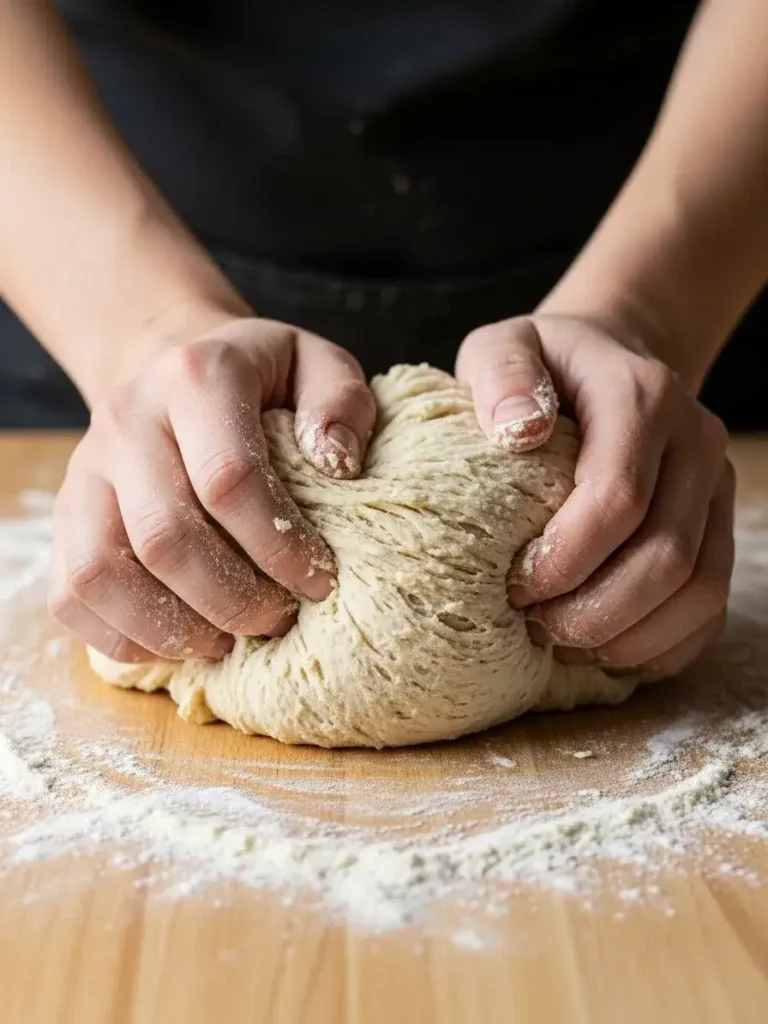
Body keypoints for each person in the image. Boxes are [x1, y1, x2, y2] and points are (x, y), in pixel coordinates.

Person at [0, 0, 761, 677]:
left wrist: (648, 312)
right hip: (92, 210)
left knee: (637, 523)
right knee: (160, 524)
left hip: (683, 212)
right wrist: (140, 329)